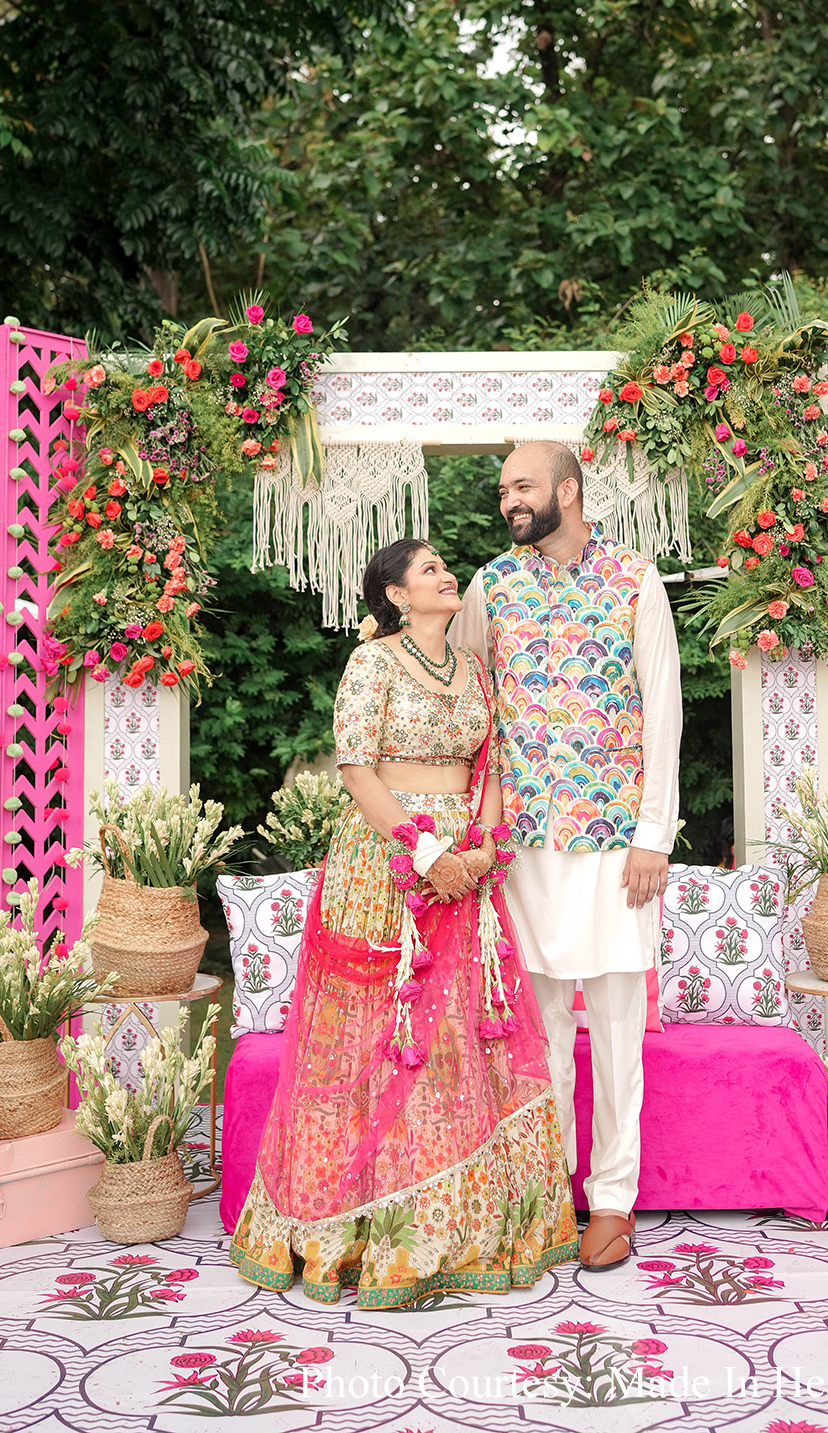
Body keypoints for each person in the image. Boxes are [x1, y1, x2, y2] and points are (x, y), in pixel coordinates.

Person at [230, 537, 577, 1308]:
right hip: (387, 862)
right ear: (395, 595)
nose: (447, 575)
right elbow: (356, 767)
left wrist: (480, 848)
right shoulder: (373, 663)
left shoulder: (474, 668)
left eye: (444, 567)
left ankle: (455, 1230)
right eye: (429, 570)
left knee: (461, 1037)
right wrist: (423, 852)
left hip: (467, 863)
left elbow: (492, 764)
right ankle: (360, 1233)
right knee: (384, 1035)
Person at [450, 441, 682, 1272]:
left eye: (523, 485)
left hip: (615, 841)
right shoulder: (490, 585)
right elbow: (465, 700)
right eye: (503, 490)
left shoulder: (634, 579)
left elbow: (663, 706)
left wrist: (654, 834)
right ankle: (547, 1193)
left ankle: (612, 1199)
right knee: (536, 1027)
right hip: (520, 844)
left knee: (616, 1026)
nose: (509, 500)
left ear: (568, 490)